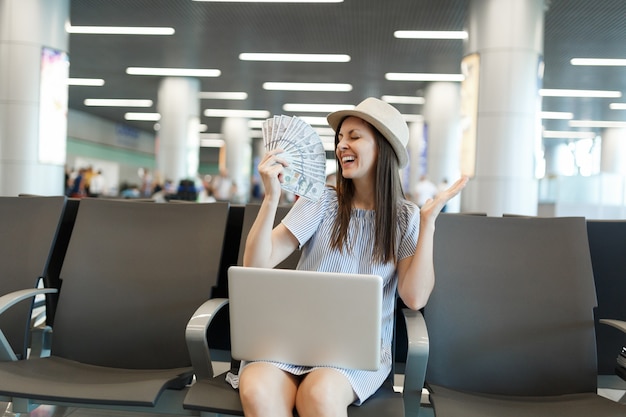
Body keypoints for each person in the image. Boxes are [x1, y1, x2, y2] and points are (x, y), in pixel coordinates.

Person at [234, 97, 468, 416]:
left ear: (382, 147)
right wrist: (271, 197)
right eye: (340, 137)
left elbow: (414, 298)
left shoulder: (404, 218)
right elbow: (256, 264)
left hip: (355, 355)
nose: (342, 144)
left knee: (318, 395)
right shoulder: (323, 201)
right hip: (292, 341)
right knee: (258, 389)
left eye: (354, 136)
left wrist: (427, 224)